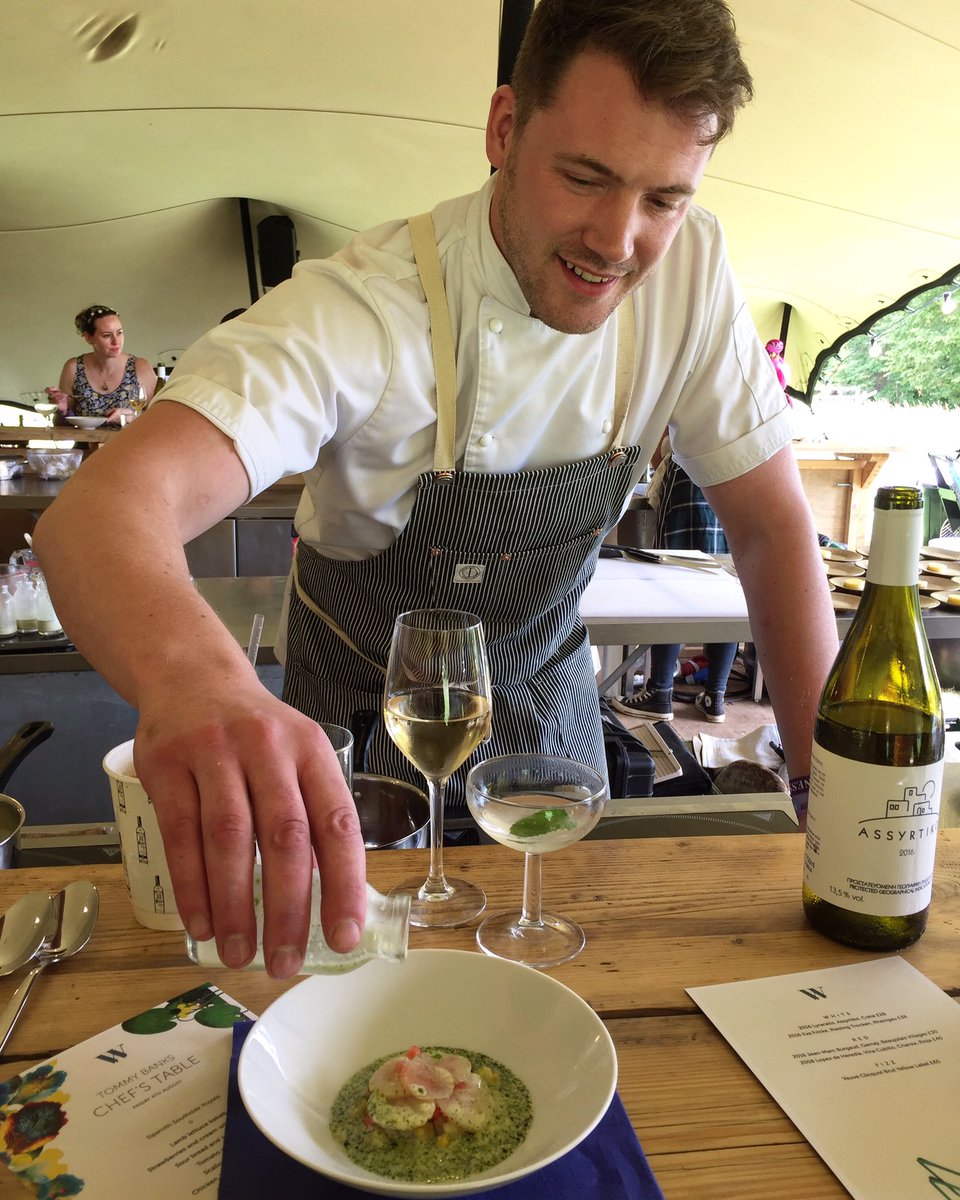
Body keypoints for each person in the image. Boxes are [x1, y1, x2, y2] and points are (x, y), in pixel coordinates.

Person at [34, 0, 838, 980]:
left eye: (663, 199)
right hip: (365, 728)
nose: (617, 241)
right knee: (360, 998)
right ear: (504, 129)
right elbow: (99, 516)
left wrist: (826, 794)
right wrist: (199, 682)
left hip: (542, 705)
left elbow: (769, 525)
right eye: (583, 176)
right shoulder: (369, 305)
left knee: (559, 992)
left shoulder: (693, 273)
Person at [612, 435, 739, 723]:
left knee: (668, 593)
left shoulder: (683, 394)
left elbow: (658, 457)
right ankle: (714, 698)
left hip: (686, 495)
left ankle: (660, 693)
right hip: (731, 495)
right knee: (725, 596)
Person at [46, 305, 157, 423]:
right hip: (86, 441)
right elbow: (60, 425)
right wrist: (61, 411)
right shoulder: (73, 368)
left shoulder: (139, 366)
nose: (116, 341)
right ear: (89, 338)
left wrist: (129, 417)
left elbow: (158, 418)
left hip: (132, 441)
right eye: (107, 335)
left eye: (119, 333)